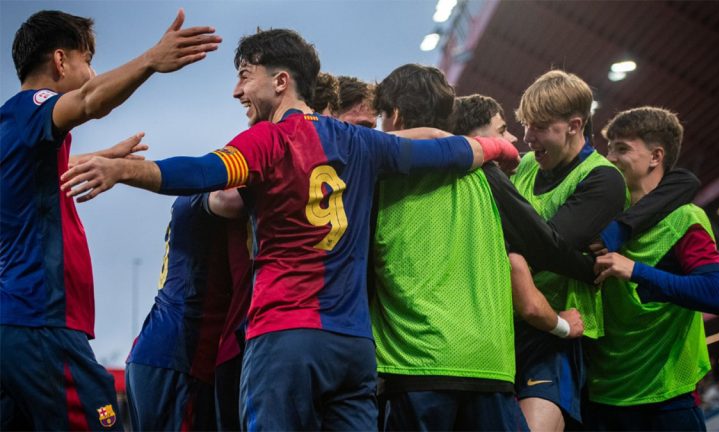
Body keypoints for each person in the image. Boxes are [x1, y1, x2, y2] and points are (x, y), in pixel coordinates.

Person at [61, 29, 519, 430]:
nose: (237, 91)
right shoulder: (363, 142)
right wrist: (497, 145)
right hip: (352, 347)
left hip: (284, 337)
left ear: (281, 81)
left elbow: (201, 172)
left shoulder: (268, 139)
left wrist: (123, 170)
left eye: (245, 75)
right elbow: (445, 154)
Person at [0, 9, 220, 430]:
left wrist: (103, 158)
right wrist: (151, 60)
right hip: (42, 324)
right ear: (60, 61)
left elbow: (48, 172)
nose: (92, 73)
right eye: (87, 61)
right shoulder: (34, 108)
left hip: (15, 327)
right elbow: (87, 101)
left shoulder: (12, 125)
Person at [370, 68, 582, 431]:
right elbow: (543, 246)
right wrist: (591, 270)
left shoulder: (378, 177)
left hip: (415, 366)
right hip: (490, 365)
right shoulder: (487, 173)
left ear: (395, 117)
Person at [585, 107, 719, 431]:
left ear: (655, 156)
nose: (610, 158)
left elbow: (715, 295)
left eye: (622, 148)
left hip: (667, 400)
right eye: (609, 149)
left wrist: (635, 270)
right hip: (601, 399)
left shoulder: (685, 219)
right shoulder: (598, 218)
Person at [510, 70, 627, 431]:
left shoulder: (602, 178)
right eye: (525, 125)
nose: (527, 138)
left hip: (559, 331)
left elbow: (549, 247)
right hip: (507, 323)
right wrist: (584, 267)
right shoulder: (526, 165)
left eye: (539, 127)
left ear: (575, 125)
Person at [125, 192, 251, 431]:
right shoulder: (205, 190)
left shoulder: (188, 194)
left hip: (160, 355)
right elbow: (230, 201)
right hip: (177, 356)